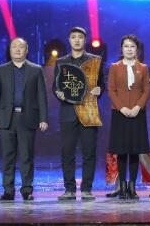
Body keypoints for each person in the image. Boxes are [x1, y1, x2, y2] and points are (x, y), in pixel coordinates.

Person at [0, 38, 49, 201]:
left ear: (27, 50)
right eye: (14, 46)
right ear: (10, 50)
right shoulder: (2, 69)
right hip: (6, 119)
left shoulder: (36, 69)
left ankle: (27, 190)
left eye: (21, 47)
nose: (17, 49)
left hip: (28, 118)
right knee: (8, 157)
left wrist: (43, 118)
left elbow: (41, 96)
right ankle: (8, 191)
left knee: (26, 157)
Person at [53, 26, 104, 201]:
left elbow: (101, 84)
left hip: (89, 111)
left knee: (89, 152)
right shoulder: (61, 62)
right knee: (67, 152)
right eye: (73, 37)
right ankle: (69, 189)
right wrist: (58, 93)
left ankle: (87, 189)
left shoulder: (95, 60)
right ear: (69, 40)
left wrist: (99, 90)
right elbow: (55, 87)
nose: (76, 40)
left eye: (80, 37)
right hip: (68, 112)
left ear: (85, 40)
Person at [107, 35, 150, 200]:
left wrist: (138, 107)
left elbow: (146, 90)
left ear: (137, 49)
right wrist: (122, 108)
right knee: (121, 151)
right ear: (122, 49)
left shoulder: (143, 68)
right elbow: (111, 90)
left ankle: (132, 186)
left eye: (132, 46)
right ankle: (123, 186)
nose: (129, 49)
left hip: (138, 113)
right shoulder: (114, 67)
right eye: (126, 46)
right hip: (120, 113)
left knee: (134, 151)